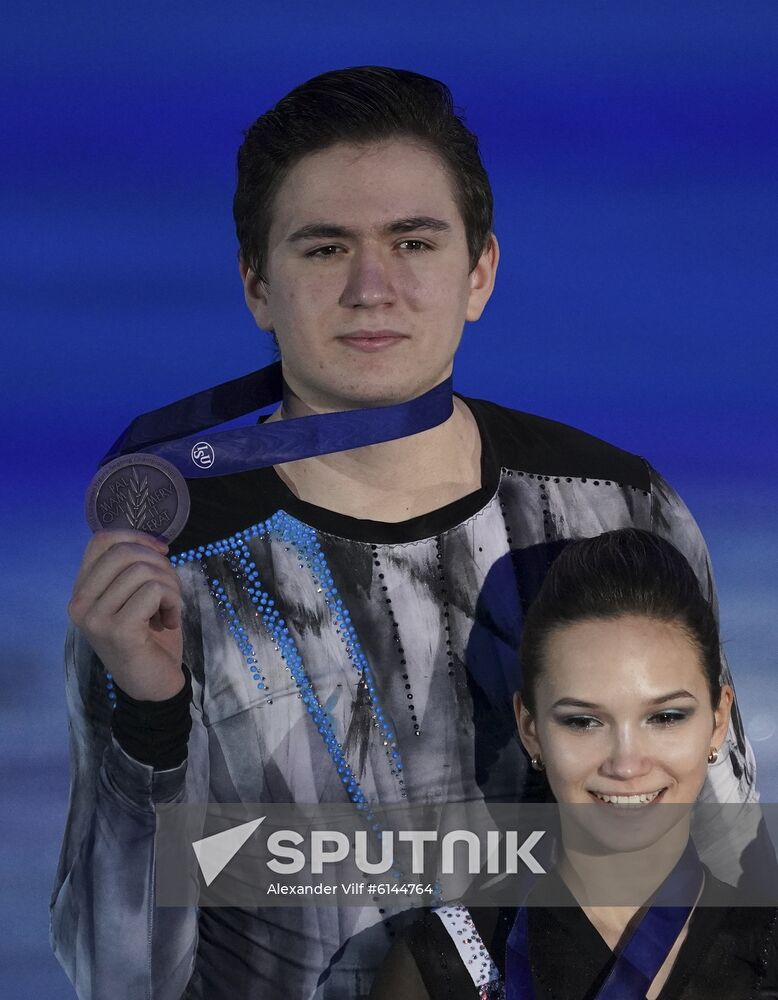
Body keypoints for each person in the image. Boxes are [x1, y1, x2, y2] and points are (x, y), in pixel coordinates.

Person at [50, 67, 759, 1000]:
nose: (371, 288)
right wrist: (149, 725)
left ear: (479, 273)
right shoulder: (169, 570)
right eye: (324, 248)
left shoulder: (618, 508)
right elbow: (120, 975)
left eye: (413, 242)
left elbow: (731, 874)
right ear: (258, 286)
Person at [369, 530, 778, 1000]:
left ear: (717, 721)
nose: (626, 763)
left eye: (665, 717)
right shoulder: (449, 962)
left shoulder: (769, 949)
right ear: (530, 728)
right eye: (584, 721)